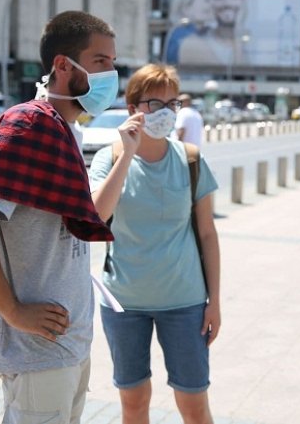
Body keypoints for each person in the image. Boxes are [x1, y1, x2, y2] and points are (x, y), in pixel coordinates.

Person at [0, 11, 118, 423]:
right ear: (63, 65)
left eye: (113, 63)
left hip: (69, 342)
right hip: (38, 351)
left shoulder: (65, 130)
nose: (110, 74)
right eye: (100, 62)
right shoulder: (27, 123)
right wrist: (12, 311)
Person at [88, 63, 221, 424]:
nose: (164, 113)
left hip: (185, 302)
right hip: (124, 303)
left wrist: (215, 302)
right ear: (132, 109)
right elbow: (96, 216)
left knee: (194, 405)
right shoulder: (110, 158)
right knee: (133, 403)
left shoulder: (190, 159)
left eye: (172, 104)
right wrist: (128, 153)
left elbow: (207, 233)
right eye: (154, 104)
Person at [178, 0, 247, 65]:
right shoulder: (191, 43)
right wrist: (239, 27)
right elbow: (231, 74)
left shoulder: (255, 42)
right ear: (211, 1)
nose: (227, 3)